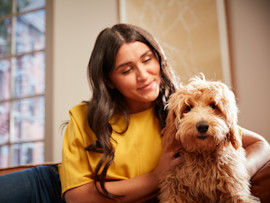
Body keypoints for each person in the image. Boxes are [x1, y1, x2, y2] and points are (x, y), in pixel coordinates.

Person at [58, 23, 270, 203]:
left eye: (147, 59)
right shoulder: (84, 117)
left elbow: (261, 145)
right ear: (108, 81)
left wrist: (237, 176)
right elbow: (76, 197)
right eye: (127, 70)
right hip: (45, 184)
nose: (143, 75)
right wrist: (155, 177)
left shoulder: (179, 111)